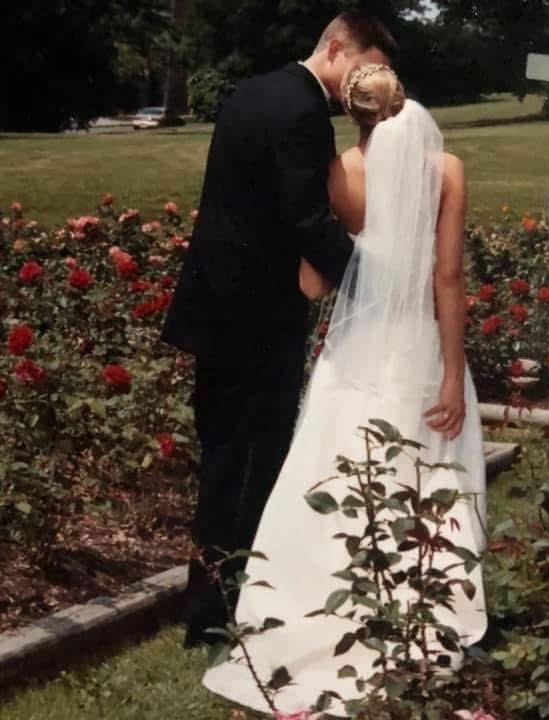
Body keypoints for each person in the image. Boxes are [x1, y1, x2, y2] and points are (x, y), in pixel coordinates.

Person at [201, 65, 488, 716]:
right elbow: (447, 281)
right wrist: (451, 372)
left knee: (334, 471)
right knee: (428, 479)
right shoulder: (447, 170)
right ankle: (424, 615)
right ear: (405, 101)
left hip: (356, 353)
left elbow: (313, 283)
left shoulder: (339, 175)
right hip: (418, 348)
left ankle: (321, 606)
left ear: (351, 115)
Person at [161, 13, 399, 649]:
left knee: (221, 457)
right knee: (250, 463)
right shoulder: (302, 114)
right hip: (256, 318)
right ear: (337, 47)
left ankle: (208, 600)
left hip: (215, 305)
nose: (364, 81)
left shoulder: (250, 93)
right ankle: (218, 613)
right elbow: (309, 223)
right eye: (363, 66)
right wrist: (376, 287)